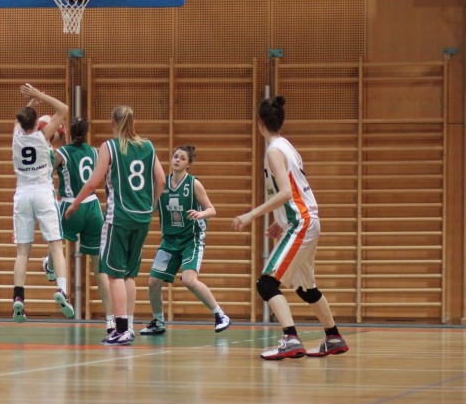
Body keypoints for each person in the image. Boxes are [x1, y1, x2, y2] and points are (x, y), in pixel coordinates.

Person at [232, 95, 348, 360]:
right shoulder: (287, 147)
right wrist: (280, 220)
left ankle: (290, 338)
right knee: (305, 288)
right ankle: (333, 337)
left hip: (301, 222)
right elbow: (296, 190)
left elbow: (286, 192)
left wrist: (252, 214)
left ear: (259, 122)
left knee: (266, 283)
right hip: (304, 221)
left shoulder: (274, 151)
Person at [66, 106, 166, 346]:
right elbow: (161, 180)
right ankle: (128, 326)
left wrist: (75, 204)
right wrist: (151, 205)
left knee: (114, 275)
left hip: (119, 216)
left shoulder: (109, 147)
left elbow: (93, 183)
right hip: (142, 217)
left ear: (113, 122)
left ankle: (121, 329)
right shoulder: (148, 146)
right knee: (129, 274)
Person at [140, 145, 231, 336]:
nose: (177, 160)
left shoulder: (193, 184)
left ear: (188, 164)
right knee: (153, 283)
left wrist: (200, 214)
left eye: (182, 158)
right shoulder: (162, 184)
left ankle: (220, 314)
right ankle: (158, 322)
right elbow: (151, 208)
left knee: (189, 280)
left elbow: (212, 210)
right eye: (175, 156)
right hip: (169, 241)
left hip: (191, 239)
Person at [10, 84, 74, 323]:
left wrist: (31, 103)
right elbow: (63, 109)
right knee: (56, 245)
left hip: (22, 194)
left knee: (22, 252)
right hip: (43, 193)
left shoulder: (16, 138)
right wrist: (38, 95)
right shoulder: (43, 135)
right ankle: (62, 291)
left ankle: (18, 297)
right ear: (37, 123)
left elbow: (20, 120)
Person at [44, 117, 113, 334]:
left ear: (68, 133)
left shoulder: (61, 154)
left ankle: (50, 266)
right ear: (87, 132)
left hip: (70, 205)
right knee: (99, 267)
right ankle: (111, 320)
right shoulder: (94, 152)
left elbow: (46, 171)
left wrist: (49, 142)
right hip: (92, 208)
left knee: (56, 243)